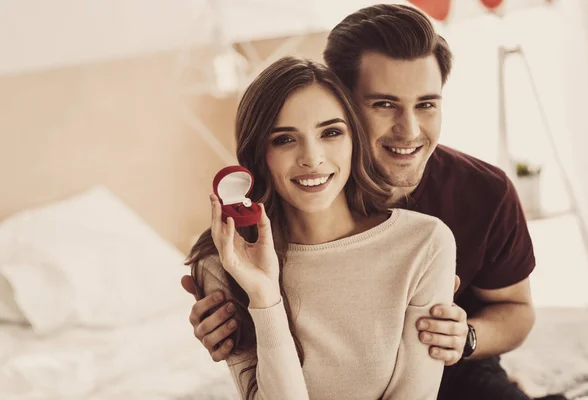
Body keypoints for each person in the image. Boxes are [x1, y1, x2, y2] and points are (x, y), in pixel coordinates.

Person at [183, 4, 557, 400]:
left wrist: (464, 337)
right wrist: (245, 313)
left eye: (426, 104)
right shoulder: (268, 227)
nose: (409, 131)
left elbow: (517, 309)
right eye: (384, 104)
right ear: (340, 99)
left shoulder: (478, 195)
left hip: (459, 368)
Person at [186, 56, 456, 399]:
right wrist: (265, 298)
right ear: (259, 154)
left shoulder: (425, 243)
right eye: (284, 139)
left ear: (354, 139)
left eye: (331, 132)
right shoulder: (225, 262)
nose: (311, 158)